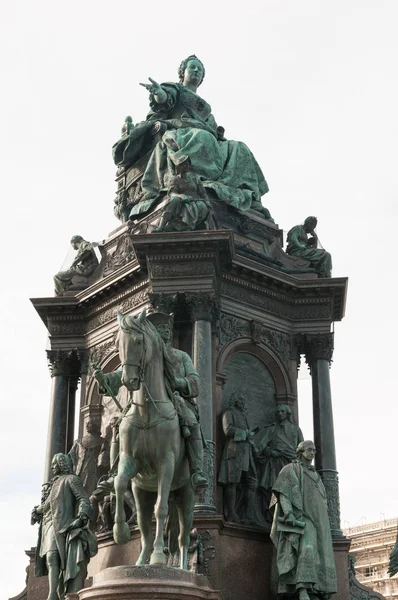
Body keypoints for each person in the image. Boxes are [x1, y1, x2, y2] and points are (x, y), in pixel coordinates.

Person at [112, 55, 272, 220]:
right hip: (180, 130)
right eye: (192, 67)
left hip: (208, 138)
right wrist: (159, 93)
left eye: (200, 70)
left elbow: (213, 129)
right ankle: (197, 182)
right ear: (183, 72)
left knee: (240, 147)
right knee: (202, 137)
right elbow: (164, 99)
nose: (196, 71)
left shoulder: (205, 107)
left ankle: (246, 195)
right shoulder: (175, 89)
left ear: (202, 77)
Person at [93, 311, 207, 492]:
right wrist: (105, 379)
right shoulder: (143, 353)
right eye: (160, 328)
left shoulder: (181, 356)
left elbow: (195, 382)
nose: (166, 331)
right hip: (142, 402)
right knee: (118, 426)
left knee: (191, 422)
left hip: (175, 401)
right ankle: (114, 474)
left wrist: (179, 382)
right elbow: (125, 371)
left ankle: (197, 471)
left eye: (167, 327)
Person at [270, 441, 337, 600]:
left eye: (314, 450)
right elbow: (283, 493)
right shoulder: (290, 470)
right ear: (300, 451)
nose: (313, 453)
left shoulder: (316, 475)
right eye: (309, 450)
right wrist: (289, 514)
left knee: (321, 553)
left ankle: (320, 588)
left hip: (321, 521)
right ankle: (302, 589)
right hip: (304, 518)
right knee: (307, 547)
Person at [31, 453, 98, 600]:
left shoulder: (71, 479)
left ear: (62, 464)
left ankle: (53, 593)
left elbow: (83, 499)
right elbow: (47, 505)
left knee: (53, 556)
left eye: (55, 464)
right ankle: (52, 593)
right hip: (49, 525)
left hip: (63, 524)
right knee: (51, 557)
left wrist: (82, 516)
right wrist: (37, 511)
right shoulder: (55, 483)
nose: (52, 466)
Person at [218, 392, 258, 523]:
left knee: (251, 482)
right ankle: (231, 513)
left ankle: (248, 514)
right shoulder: (229, 413)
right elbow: (228, 430)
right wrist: (245, 433)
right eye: (240, 399)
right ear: (235, 400)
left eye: (243, 399)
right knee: (232, 482)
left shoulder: (243, 416)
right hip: (234, 451)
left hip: (246, 452)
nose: (242, 401)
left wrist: (250, 436)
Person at [254, 404, 303, 504]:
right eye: (278, 412)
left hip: (290, 462)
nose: (280, 414)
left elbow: (302, 448)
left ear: (287, 413)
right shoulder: (272, 428)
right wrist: (270, 451)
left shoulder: (296, 430)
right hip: (275, 463)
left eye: (282, 411)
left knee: (290, 488)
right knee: (274, 487)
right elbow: (261, 446)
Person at [68, 418, 109, 497]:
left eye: (89, 423)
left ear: (96, 425)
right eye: (86, 423)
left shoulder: (102, 441)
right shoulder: (78, 442)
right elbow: (71, 457)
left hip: (95, 471)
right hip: (80, 471)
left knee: (93, 490)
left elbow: (105, 459)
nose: (86, 425)